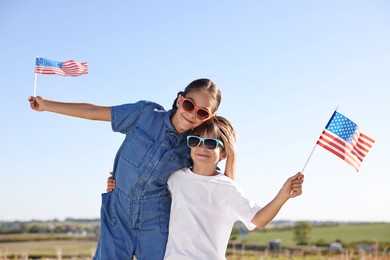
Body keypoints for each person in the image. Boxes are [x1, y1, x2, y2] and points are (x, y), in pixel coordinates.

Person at [28, 79, 235, 260]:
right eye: (189, 105)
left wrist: (232, 156)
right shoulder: (145, 114)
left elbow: (219, 186)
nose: (192, 114)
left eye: (202, 112)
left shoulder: (194, 147)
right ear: (180, 99)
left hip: (156, 224)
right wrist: (46, 105)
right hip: (118, 213)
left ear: (209, 117)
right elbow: (94, 112)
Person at [107, 115, 304, 260]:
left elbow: (259, 220)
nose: (202, 147)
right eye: (195, 141)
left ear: (224, 153)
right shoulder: (175, 178)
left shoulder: (228, 189)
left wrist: (283, 195)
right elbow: (145, 195)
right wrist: (116, 185)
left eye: (210, 143)